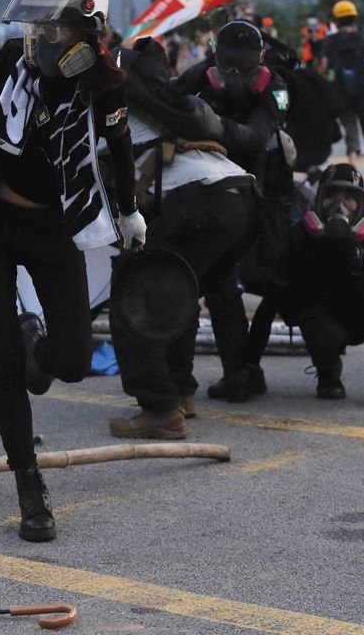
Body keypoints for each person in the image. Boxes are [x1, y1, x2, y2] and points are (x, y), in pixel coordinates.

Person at [0, 0, 141, 542]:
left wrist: (128, 210)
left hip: (56, 227)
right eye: (41, 25)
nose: (45, 37)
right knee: (4, 366)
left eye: (57, 28)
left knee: (74, 361)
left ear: (90, 28)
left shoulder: (104, 82)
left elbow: (119, 148)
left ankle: (40, 345)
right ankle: (30, 487)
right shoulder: (12, 57)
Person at [108, 36, 259, 437]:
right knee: (182, 292)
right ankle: (179, 392)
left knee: (136, 292)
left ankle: (160, 408)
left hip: (200, 203)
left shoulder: (114, 105)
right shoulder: (163, 98)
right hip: (240, 199)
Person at [173, 19, 294, 403]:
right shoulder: (201, 75)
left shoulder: (274, 87)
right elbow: (167, 102)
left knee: (223, 284)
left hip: (252, 193)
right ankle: (237, 373)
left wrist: (213, 124)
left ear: (261, 58)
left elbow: (257, 136)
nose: (237, 74)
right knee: (218, 286)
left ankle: (223, 375)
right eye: (230, 65)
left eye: (245, 65)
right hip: (201, 188)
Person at [241, 164, 364, 408]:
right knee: (320, 330)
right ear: (319, 199)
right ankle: (327, 372)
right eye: (331, 196)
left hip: (360, 317)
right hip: (320, 318)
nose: (339, 205)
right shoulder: (300, 235)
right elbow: (271, 299)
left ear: (360, 203)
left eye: (349, 198)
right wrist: (249, 366)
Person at [318, 0, 364, 183]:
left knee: (351, 131)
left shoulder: (330, 42)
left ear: (337, 20)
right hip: (363, 94)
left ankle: (353, 168)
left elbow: (323, 69)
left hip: (341, 95)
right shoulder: (362, 40)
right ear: (354, 18)